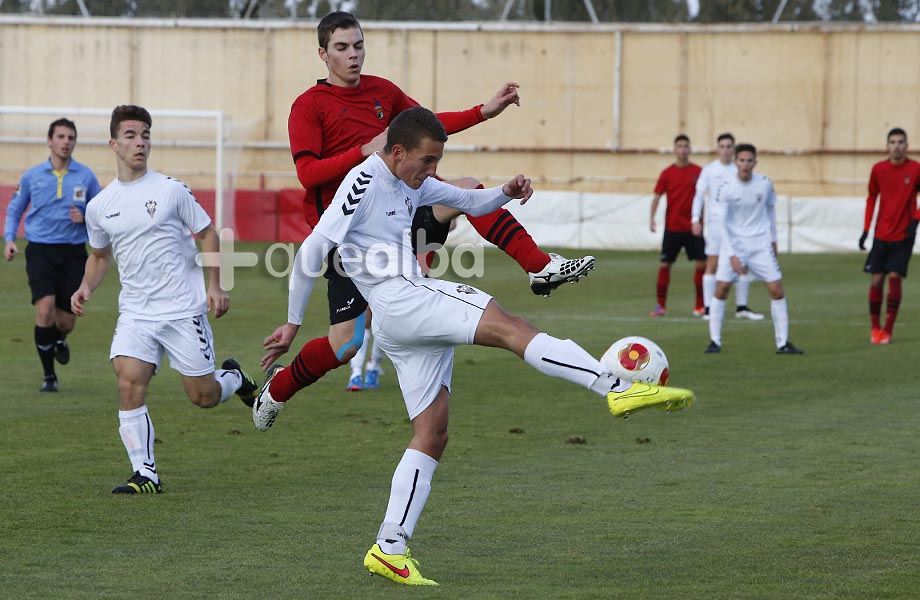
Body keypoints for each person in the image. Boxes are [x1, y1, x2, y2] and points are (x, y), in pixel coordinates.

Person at [252, 106, 695, 585]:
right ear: (397, 152)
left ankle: (389, 546)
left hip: (401, 316)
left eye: (437, 161)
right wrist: (293, 323)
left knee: (432, 432)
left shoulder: (412, 178)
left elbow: (469, 200)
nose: (432, 170)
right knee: (509, 326)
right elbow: (314, 250)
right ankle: (613, 386)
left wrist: (506, 191)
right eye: (427, 161)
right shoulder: (363, 181)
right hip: (402, 297)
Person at [286, 11, 595, 394]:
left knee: (465, 189)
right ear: (323, 54)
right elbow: (308, 175)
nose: (353, 55)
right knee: (346, 343)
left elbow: (428, 124)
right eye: (342, 47)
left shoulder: (382, 91)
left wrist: (483, 112)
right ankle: (280, 387)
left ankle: (539, 265)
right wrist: (362, 149)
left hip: (400, 213)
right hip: (349, 236)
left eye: (359, 45)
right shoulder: (309, 106)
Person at [70, 105, 258, 494]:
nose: (140, 143)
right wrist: (86, 286)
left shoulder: (171, 190)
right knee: (128, 383)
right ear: (113, 143)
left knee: (202, 397)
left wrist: (216, 285)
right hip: (136, 313)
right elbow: (100, 257)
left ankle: (235, 377)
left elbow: (208, 234)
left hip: (182, 309)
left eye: (145, 135)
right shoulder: (100, 206)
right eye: (131, 136)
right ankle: (145, 473)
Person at [4, 118, 101, 392]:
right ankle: (49, 376)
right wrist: (10, 239)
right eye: (61, 136)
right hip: (40, 251)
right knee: (44, 309)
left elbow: (102, 213)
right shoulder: (33, 176)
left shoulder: (86, 176)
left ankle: (59, 338)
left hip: (73, 253)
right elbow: (14, 210)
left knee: (66, 321)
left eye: (71, 137)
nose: (66, 142)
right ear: (50, 140)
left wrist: (85, 217)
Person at [704, 143, 803, 355]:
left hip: (759, 245)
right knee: (721, 289)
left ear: (755, 162)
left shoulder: (765, 184)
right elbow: (721, 224)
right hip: (734, 244)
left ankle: (783, 343)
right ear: (736, 162)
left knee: (776, 289)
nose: (745, 165)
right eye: (742, 160)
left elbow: (770, 211)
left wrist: (774, 239)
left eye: (749, 161)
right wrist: (731, 255)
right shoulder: (726, 188)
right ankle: (715, 340)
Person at [690, 132, 764, 321]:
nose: (725, 150)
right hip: (715, 224)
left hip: (738, 227)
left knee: (742, 264)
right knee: (712, 264)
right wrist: (695, 218)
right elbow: (699, 195)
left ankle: (742, 307)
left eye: (729, 146)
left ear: (733, 149)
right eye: (722, 146)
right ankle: (707, 309)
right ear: (717, 149)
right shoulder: (709, 170)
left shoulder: (738, 169)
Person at [859, 127, 920, 344]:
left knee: (894, 277)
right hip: (881, 234)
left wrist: (916, 219)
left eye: (901, 142)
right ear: (887, 146)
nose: (897, 146)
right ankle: (875, 328)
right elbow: (871, 197)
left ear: (907, 145)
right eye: (893, 142)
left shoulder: (915, 169)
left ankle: (888, 330)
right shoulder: (878, 169)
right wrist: (866, 230)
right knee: (876, 279)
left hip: (904, 233)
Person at [648, 134, 705, 317]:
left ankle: (700, 305)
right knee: (665, 264)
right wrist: (652, 218)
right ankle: (660, 306)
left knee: (702, 264)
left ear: (690, 149)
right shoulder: (667, 173)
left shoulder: (699, 172)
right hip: (672, 227)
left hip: (693, 227)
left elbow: (707, 197)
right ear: (675, 149)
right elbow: (657, 196)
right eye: (679, 146)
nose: (683, 149)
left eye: (685, 146)